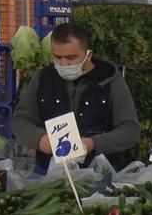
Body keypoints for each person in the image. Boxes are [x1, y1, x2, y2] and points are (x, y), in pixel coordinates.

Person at [12, 23, 141, 174]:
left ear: (88, 55)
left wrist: (93, 143)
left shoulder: (111, 81)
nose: (63, 63)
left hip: (98, 173)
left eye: (71, 57)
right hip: (49, 172)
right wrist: (39, 139)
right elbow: (20, 119)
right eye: (57, 57)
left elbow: (131, 131)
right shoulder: (42, 78)